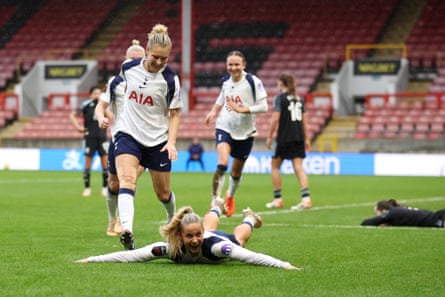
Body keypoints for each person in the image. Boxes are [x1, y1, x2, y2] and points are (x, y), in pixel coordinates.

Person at [113, 23, 182, 250]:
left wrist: (171, 142)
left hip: (157, 141)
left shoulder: (171, 80)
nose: (160, 62)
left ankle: (173, 222)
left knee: (162, 193)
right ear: (147, 50)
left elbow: (174, 114)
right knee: (127, 180)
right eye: (156, 57)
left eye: (165, 58)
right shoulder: (128, 68)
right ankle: (127, 230)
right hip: (128, 133)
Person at [75, 204, 300, 270]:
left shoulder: (216, 248)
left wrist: (284, 265)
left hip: (218, 238)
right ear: (180, 237)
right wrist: (93, 259)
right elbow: (132, 256)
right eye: (189, 236)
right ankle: (217, 207)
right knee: (206, 226)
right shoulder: (169, 248)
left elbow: (250, 257)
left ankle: (249, 218)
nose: (194, 240)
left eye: (197, 236)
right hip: (207, 232)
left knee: (238, 240)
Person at [204, 50, 268, 217]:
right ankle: (214, 201)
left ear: (243, 65)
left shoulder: (252, 81)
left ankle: (230, 197)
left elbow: (264, 106)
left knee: (236, 172)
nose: (233, 68)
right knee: (222, 163)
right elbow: (221, 97)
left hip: (245, 132)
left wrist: (242, 109)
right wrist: (213, 111)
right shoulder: (225, 81)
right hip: (224, 126)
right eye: (230, 65)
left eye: (236, 64)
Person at [95, 40, 146, 236]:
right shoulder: (115, 82)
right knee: (115, 183)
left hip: (144, 140)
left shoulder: (151, 81)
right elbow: (101, 106)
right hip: (120, 138)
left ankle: (124, 224)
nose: (134, 63)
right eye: (131, 59)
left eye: (138, 59)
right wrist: (101, 117)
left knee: (129, 180)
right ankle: (112, 221)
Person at [265, 74, 312, 210]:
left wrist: (269, 136)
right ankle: (306, 199)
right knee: (299, 168)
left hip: (284, 137)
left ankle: (278, 199)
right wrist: (307, 139)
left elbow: (275, 119)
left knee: (274, 167)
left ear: (281, 84)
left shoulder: (280, 99)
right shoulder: (299, 99)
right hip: (298, 137)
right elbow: (305, 121)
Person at [69, 85, 109, 198]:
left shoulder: (104, 105)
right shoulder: (85, 105)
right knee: (87, 164)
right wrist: (78, 127)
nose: (97, 95)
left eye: (99, 93)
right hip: (89, 138)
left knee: (105, 164)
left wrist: (105, 108)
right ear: (90, 95)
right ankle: (87, 188)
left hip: (102, 138)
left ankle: (105, 188)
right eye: (95, 93)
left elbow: (111, 117)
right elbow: (72, 115)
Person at [361, 199, 445, 227]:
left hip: (438, 219)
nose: (377, 215)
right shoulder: (399, 210)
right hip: (437, 216)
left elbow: (366, 223)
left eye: (377, 213)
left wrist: (382, 221)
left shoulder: (391, 212)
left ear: (383, 211)